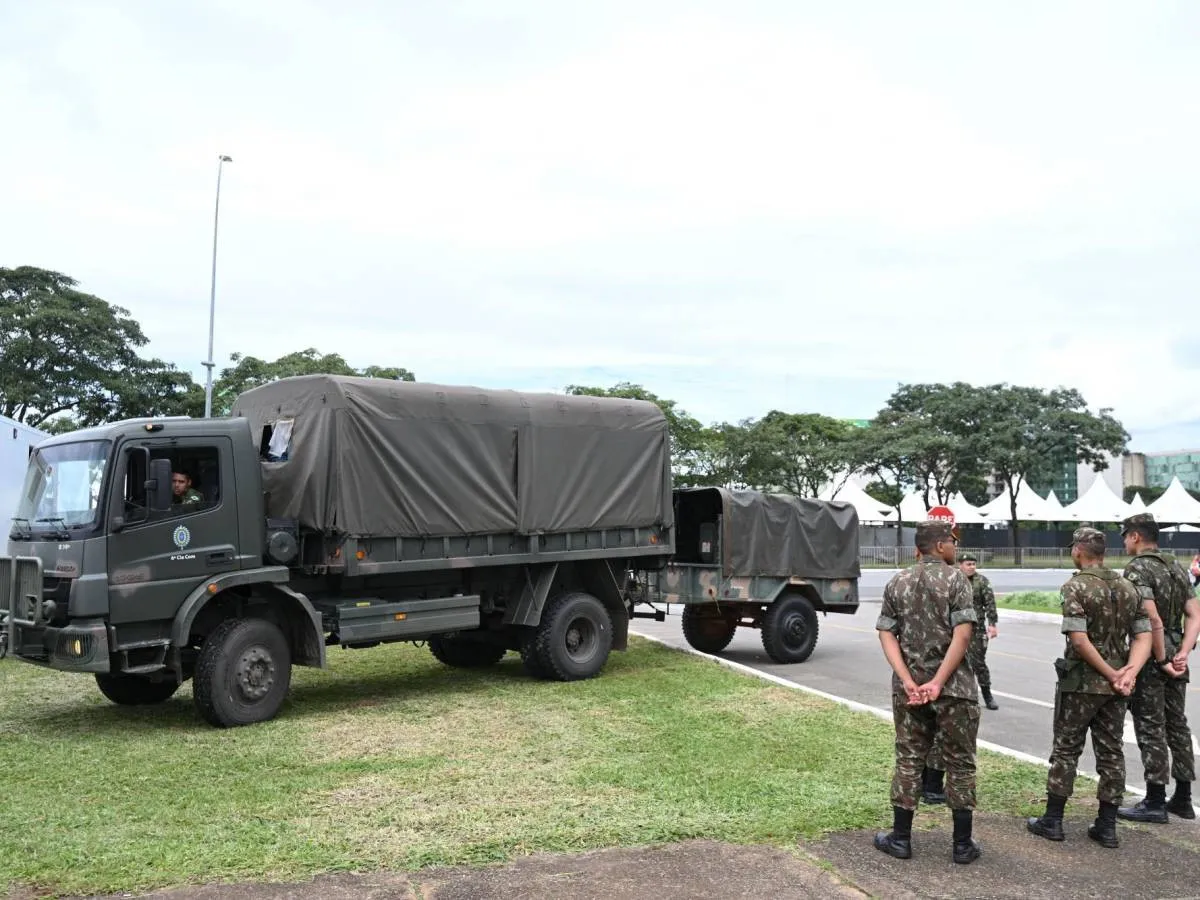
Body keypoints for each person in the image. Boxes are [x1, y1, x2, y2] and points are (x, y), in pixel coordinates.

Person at [1026, 527, 1152, 849]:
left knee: (1067, 748)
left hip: (1082, 683)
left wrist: (1111, 672)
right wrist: (1128, 673)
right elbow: (1143, 636)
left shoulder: (1075, 587)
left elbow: (1079, 640)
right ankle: (1107, 826)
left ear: (1079, 550)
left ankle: (1053, 820)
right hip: (1117, 688)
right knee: (1112, 752)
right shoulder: (1129, 587)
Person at [873, 519, 982, 865]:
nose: (954, 546)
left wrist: (908, 679)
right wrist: (939, 681)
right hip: (955, 690)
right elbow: (962, 635)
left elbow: (886, 634)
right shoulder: (957, 580)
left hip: (910, 690)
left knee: (909, 758)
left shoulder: (897, 581)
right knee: (960, 763)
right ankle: (962, 845)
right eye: (950, 541)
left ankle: (900, 838)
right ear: (937, 546)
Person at [1115, 512, 1200, 823]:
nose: (1124, 541)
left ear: (1136, 536)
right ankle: (1183, 797)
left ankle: (1154, 800)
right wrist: (1184, 653)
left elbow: (1152, 620)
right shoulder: (1175, 565)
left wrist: (1163, 659)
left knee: (1151, 725)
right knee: (1177, 723)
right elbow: (1194, 613)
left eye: (1126, 535)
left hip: (1154, 657)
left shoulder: (1137, 568)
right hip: (1178, 654)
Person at [959, 552, 999, 710]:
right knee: (957, 662)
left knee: (978, 663)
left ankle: (987, 695)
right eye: (968, 564)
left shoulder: (981, 581)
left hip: (977, 628)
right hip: (957, 627)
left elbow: (990, 603)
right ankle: (964, 696)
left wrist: (993, 624)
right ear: (960, 565)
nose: (971, 567)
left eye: (973, 564)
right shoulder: (954, 580)